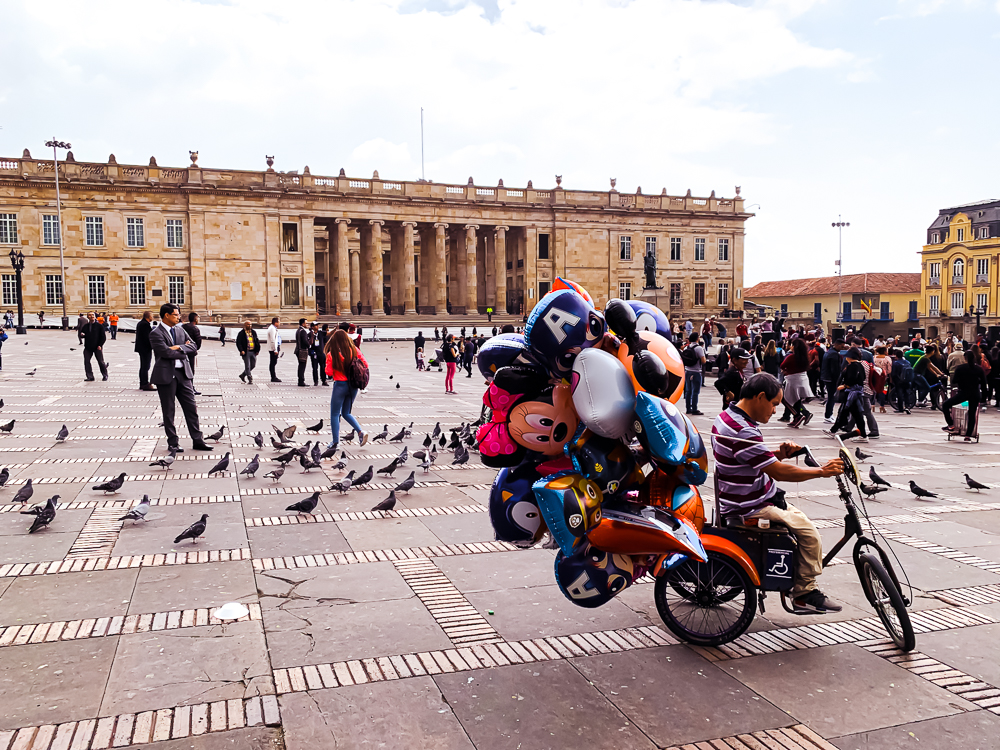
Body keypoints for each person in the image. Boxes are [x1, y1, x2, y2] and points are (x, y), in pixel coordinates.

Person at [712, 372, 845, 614]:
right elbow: (779, 473)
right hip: (749, 504)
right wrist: (821, 472)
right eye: (774, 405)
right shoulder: (744, 431)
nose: (774, 411)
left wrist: (780, 454)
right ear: (760, 397)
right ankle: (803, 592)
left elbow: (749, 459)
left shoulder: (727, 417)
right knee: (810, 534)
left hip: (740, 494)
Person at [150, 303, 209, 452]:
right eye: (176, 315)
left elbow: (194, 346)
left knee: (191, 408)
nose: (178, 317)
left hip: (184, 374)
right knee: (168, 411)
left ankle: (198, 440)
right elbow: (165, 353)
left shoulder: (180, 330)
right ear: (166, 315)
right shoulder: (155, 333)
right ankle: (173, 442)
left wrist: (178, 347)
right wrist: (184, 348)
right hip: (166, 376)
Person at [324, 329, 368, 450]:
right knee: (346, 412)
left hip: (340, 385)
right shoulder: (354, 350)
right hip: (353, 385)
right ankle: (360, 432)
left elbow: (328, 372)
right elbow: (365, 364)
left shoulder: (332, 354)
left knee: (334, 414)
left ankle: (335, 442)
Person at [826, 348, 870, 442]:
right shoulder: (860, 365)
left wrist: (845, 386)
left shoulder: (852, 366)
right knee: (855, 414)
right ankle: (862, 435)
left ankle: (834, 430)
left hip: (851, 393)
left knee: (845, 412)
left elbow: (851, 378)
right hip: (857, 393)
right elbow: (863, 378)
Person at [943, 350, 987, 437]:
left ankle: (951, 424)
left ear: (964, 358)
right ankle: (968, 435)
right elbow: (984, 383)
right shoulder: (979, 369)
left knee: (946, 405)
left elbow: (954, 380)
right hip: (975, 393)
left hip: (964, 392)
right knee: (972, 413)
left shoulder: (960, 368)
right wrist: (984, 397)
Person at [780, 338, 814, 428]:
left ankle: (797, 415)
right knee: (796, 399)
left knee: (785, 399)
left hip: (792, 380)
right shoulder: (805, 357)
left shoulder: (791, 357)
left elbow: (782, 365)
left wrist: (786, 370)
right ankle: (804, 413)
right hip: (802, 379)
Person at [681, 333, 706, 415]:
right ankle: (694, 408)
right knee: (695, 391)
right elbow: (703, 361)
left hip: (687, 371)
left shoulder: (687, 347)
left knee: (688, 391)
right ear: (697, 339)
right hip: (696, 372)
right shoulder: (698, 348)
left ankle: (688, 408)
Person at [81, 312, 109, 381]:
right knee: (87, 361)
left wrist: (100, 345)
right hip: (88, 347)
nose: (91, 316)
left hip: (97, 347)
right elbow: (83, 334)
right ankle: (90, 376)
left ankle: (105, 375)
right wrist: (82, 335)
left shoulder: (99, 326)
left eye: (92, 315)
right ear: (88, 317)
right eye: (89, 315)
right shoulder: (86, 326)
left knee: (100, 361)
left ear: (95, 316)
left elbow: (103, 337)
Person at [182, 312, 203, 395]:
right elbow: (198, 341)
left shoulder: (183, 327)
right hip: (191, 352)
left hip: (183, 351)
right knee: (190, 370)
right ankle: (190, 387)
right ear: (195, 319)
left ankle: (184, 387)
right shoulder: (195, 328)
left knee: (183, 370)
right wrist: (195, 348)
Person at [135, 311, 155, 391]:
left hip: (142, 348)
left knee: (144, 366)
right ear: (148, 316)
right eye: (152, 315)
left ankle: (143, 383)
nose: (152, 317)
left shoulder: (142, 323)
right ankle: (145, 383)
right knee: (145, 366)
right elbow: (147, 338)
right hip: (145, 348)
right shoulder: (145, 325)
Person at [294, 318, 310, 387]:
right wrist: (309, 345)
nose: (307, 324)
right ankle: (301, 381)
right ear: (303, 324)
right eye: (306, 323)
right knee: (302, 366)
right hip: (302, 350)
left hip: (298, 349)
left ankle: (300, 380)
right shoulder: (303, 331)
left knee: (301, 365)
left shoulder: (298, 330)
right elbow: (305, 341)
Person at [267, 317, 282, 382]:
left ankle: (273, 376)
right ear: (275, 322)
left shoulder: (274, 328)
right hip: (273, 348)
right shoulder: (272, 329)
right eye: (279, 322)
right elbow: (273, 340)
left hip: (274, 347)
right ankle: (273, 377)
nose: (279, 323)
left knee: (274, 362)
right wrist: (275, 350)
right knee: (273, 363)